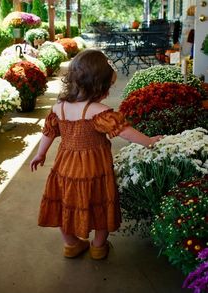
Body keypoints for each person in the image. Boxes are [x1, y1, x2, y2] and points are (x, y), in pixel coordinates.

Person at [30, 49, 162, 260]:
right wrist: (149, 141)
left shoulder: (59, 107)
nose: (109, 92)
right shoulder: (97, 111)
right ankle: (99, 247)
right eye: (108, 86)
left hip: (66, 167)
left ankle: (71, 245)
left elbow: (49, 132)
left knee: (66, 204)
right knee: (101, 204)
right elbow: (125, 132)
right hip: (95, 167)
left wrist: (40, 154)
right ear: (98, 85)